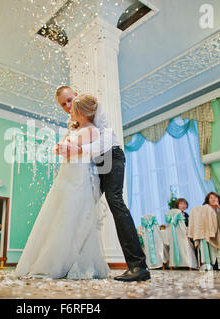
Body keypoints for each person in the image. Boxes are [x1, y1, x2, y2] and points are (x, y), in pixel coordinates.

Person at [54, 86, 149, 282]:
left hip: (111, 156)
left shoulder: (96, 109)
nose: (68, 106)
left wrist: (76, 148)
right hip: (93, 162)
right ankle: (74, 264)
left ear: (77, 96)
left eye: (70, 100)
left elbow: (103, 143)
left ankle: (138, 265)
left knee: (115, 201)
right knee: (84, 208)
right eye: (63, 104)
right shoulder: (71, 121)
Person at [15, 94, 110, 279]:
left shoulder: (92, 131)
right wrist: (61, 146)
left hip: (79, 176)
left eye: (73, 109)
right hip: (66, 174)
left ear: (82, 113)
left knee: (73, 215)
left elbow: (73, 147)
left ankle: (65, 262)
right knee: (58, 214)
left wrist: (65, 146)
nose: (70, 112)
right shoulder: (76, 128)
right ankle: (51, 258)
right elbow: (64, 148)